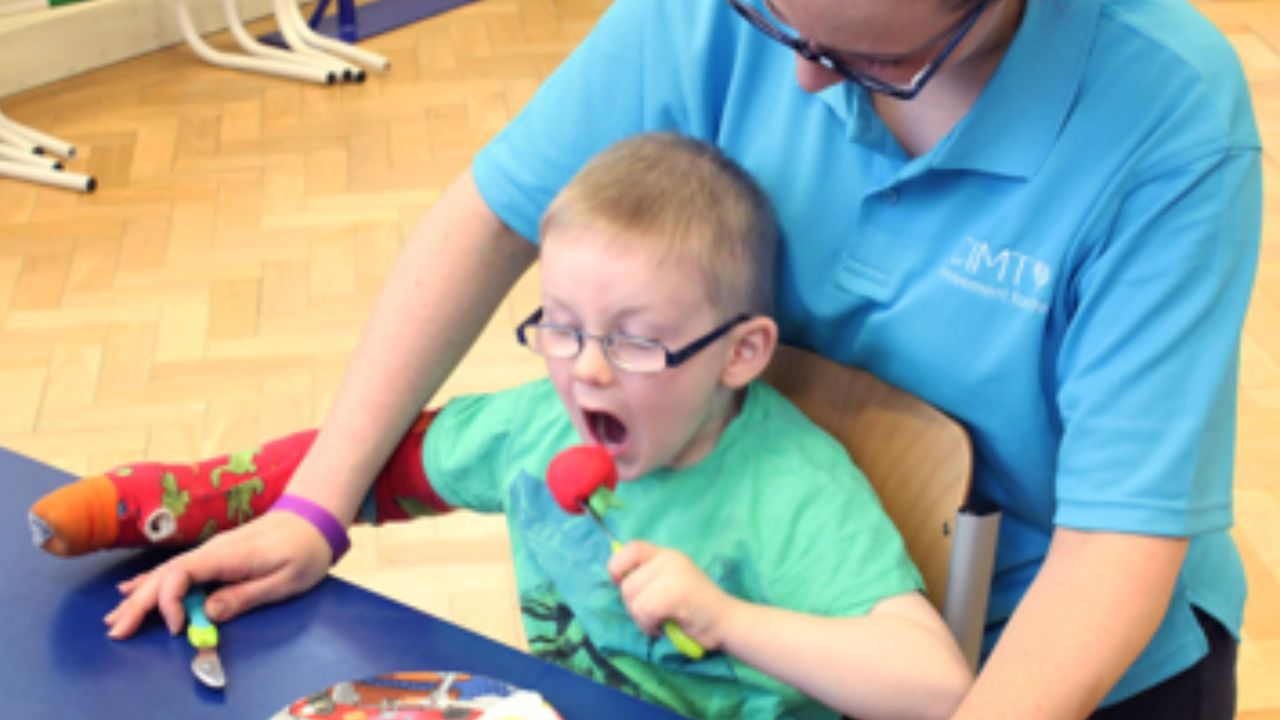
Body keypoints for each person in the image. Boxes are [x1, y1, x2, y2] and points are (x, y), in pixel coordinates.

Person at [107, 0, 1262, 717]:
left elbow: (1114, 548)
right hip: (750, 635)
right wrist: (316, 506)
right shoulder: (724, 12)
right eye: (775, 25)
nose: (799, 79)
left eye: (856, 57)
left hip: (1041, 655)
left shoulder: (1162, 121)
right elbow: (489, 218)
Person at [109, 133, 971, 719]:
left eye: (634, 340)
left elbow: (937, 686)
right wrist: (186, 511)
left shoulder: (792, 489)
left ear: (740, 354)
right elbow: (393, 466)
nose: (587, 369)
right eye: (560, 326)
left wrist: (727, 618)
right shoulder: (541, 428)